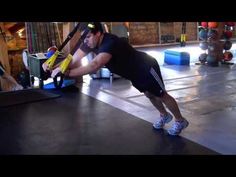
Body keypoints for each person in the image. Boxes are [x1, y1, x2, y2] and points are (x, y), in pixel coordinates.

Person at [50, 22, 189, 136]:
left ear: (98, 33)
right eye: (84, 38)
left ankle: (180, 120)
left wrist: (66, 73)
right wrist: (55, 68)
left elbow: (94, 65)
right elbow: (73, 59)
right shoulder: (90, 42)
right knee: (149, 94)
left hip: (146, 67)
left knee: (161, 94)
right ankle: (164, 115)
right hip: (133, 74)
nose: (86, 42)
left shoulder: (109, 43)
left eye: (88, 37)